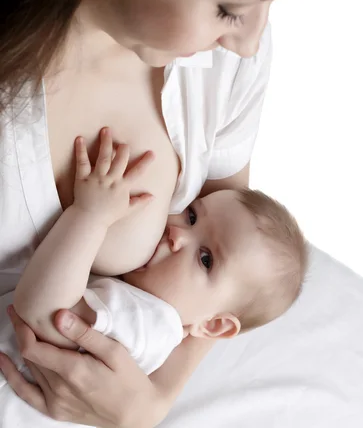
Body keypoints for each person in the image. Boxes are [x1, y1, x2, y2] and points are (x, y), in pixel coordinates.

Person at [0, 0, 363, 427]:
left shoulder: (220, 61)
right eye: (231, 8)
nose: (250, 41)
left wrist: (153, 402)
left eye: (268, 3)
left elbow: (231, 245)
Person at [0, 128, 307, 426]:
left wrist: (90, 216)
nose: (177, 235)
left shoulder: (148, 323)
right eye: (191, 216)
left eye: (205, 259)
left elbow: (43, 315)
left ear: (213, 324)